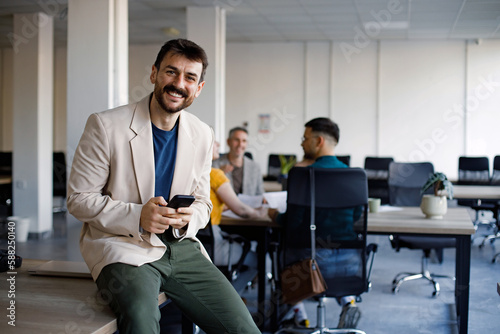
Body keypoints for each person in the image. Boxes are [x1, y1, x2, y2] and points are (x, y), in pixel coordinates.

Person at [67, 39, 261, 334]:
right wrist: (137, 216)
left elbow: (203, 202)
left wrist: (188, 218)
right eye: (171, 72)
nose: (178, 84)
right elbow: (79, 199)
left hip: (181, 247)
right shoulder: (106, 126)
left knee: (243, 328)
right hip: (124, 247)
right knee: (141, 321)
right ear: (154, 73)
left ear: (199, 88)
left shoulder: (203, 134)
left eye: (189, 78)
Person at [269, 117, 362, 329]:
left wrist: (274, 215)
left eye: (305, 138)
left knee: (282, 248)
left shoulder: (302, 175)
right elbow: (356, 216)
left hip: (309, 265)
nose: (302, 143)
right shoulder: (352, 175)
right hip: (348, 263)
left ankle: (299, 314)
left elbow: (292, 223)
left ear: (319, 141)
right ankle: (348, 301)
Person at [210, 141, 268, 266]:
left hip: (193, 245)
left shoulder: (190, 174)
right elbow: (242, 210)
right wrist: (260, 213)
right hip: (212, 245)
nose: (218, 144)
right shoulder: (214, 174)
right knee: (257, 260)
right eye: (214, 141)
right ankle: (231, 286)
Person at [212, 127, 264, 195]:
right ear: (228, 142)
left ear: (247, 143)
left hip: (250, 205)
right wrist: (219, 173)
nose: (240, 144)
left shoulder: (255, 167)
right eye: (236, 140)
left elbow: (260, 194)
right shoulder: (215, 165)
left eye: (244, 141)